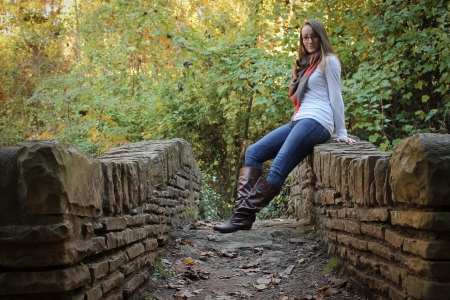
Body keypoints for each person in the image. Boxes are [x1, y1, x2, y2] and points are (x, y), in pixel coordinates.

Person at [213, 19, 356, 234]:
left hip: (318, 122)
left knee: (279, 165)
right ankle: (242, 216)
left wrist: (342, 131)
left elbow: (336, 98)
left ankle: (241, 217)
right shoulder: (304, 63)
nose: (309, 40)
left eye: (313, 36)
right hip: (299, 120)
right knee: (253, 152)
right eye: (305, 37)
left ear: (321, 36)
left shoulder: (329, 61)